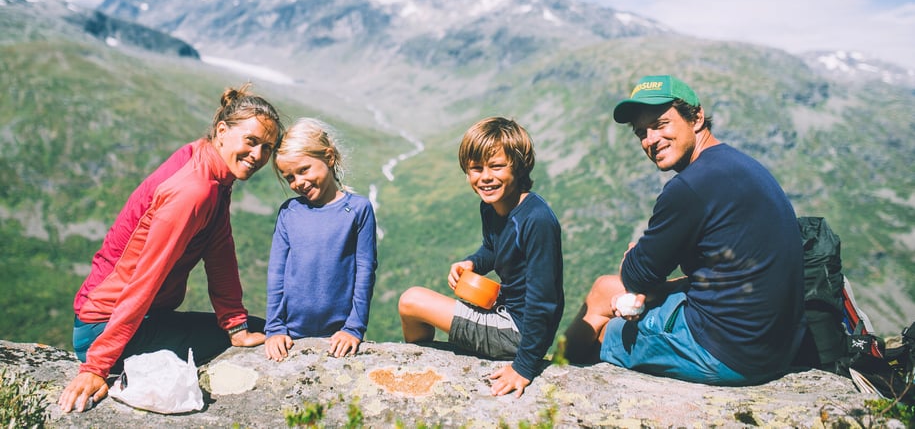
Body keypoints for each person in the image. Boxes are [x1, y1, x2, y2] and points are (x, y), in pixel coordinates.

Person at [563, 75, 806, 386]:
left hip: (728, 353)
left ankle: (558, 376)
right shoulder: (740, 165)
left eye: (661, 124)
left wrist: (632, 258)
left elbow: (637, 277)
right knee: (607, 288)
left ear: (697, 117)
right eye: (642, 133)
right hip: (777, 346)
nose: (650, 139)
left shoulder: (690, 187)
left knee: (600, 313)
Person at [58, 83, 283, 413]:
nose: (258, 156)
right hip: (105, 330)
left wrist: (235, 324)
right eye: (251, 142)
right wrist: (97, 366)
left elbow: (220, 251)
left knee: (252, 331)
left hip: (131, 320)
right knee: (269, 335)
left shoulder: (210, 168)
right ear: (222, 131)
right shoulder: (194, 190)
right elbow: (144, 279)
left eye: (268, 148)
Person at [398, 116, 564, 397]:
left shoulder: (537, 220)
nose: (485, 177)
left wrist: (523, 367)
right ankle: (425, 361)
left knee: (411, 302)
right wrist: (473, 262)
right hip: (505, 309)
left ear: (519, 167)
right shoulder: (491, 207)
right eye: (476, 169)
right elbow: (492, 248)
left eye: (497, 166)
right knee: (415, 303)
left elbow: (543, 302)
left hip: (518, 331)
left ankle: (421, 366)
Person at [264, 118, 377, 361]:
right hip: (291, 334)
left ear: (329, 157)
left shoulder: (359, 210)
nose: (298, 183)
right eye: (290, 177)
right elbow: (276, 273)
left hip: (338, 336)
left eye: (304, 170)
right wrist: (274, 329)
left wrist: (353, 329)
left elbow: (365, 272)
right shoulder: (289, 212)